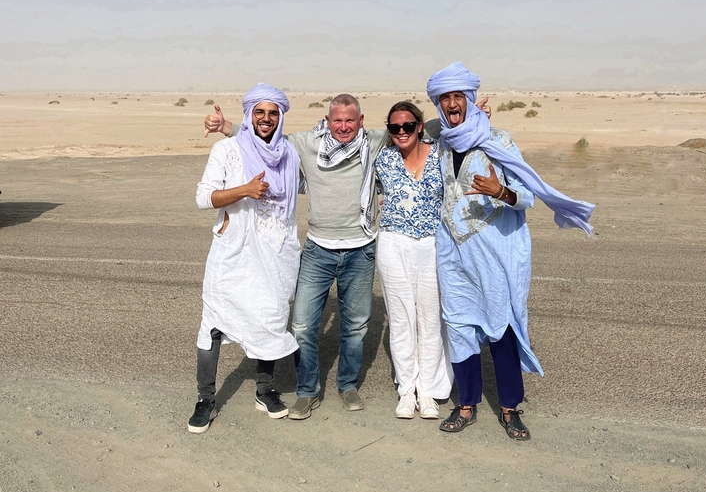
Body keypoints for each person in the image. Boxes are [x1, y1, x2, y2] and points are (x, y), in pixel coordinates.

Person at [426, 62, 594, 439]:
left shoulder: (498, 141)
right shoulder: (440, 140)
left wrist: (499, 192)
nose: (452, 104)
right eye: (445, 98)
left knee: (501, 325)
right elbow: (414, 129)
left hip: (493, 251)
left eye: (458, 97)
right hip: (452, 251)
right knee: (459, 324)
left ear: (469, 99)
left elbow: (527, 197)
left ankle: (509, 408)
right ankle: (466, 403)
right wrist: (472, 118)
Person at [204, 94, 387, 419]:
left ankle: (347, 385)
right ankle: (306, 391)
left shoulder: (375, 141)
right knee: (302, 324)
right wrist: (226, 127)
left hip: (362, 248)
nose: (343, 126)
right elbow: (266, 140)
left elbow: (419, 131)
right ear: (328, 121)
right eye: (337, 120)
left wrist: (475, 118)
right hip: (318, 249)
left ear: (361, 121)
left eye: (350, 120)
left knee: (356, 326)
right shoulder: (307, 143)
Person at [188, 84, 301, 433]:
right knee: (214, 324)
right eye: (259, 112)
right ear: (250, 116)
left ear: (280, 117)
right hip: (233, 254)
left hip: (275, 253)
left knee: (270, 319)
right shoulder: (227, 150)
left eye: (272, 113)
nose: (266, 119)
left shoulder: (290, 155)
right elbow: (204, 198)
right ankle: (206, 398)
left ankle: (265, 390)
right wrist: (245, 190)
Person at [374, 101, 452, 419]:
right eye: (395, 127)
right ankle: (407, 390)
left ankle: (428, 391)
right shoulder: (384, 159)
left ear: (420, 126)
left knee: (431, 320)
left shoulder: (440, 155)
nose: (402, 132)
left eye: (408, 126)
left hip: (433, 243)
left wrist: (478, 118)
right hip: (393, 242)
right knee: (402, 319)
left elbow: (458, 134)